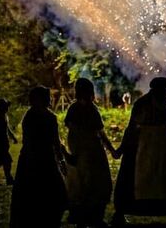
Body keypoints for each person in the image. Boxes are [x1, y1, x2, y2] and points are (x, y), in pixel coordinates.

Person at [112, 77, 166, 226]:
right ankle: (125, 211)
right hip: (145, 146)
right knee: (143, 178)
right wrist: (123, 148)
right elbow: (131, 126)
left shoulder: (164, 103)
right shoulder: (141, 104)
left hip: (164, 146)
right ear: (157, 89)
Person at [10, 86, 69, 228]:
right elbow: (55, 142)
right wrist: (62, 160)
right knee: (52, 195)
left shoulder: (28, 116)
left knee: (27, 196)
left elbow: (29, 141)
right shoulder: (49, 118)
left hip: (28, 159)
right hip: (45, 159)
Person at [65, 78, 116, 228]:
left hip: (92, 151)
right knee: (87, 185)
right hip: (86, 152)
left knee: (96, 184)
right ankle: (86, 218)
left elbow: (99, 132)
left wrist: (111, 149)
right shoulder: (78, 109)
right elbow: (77, 132)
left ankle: (92, 218)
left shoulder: (86, 109)